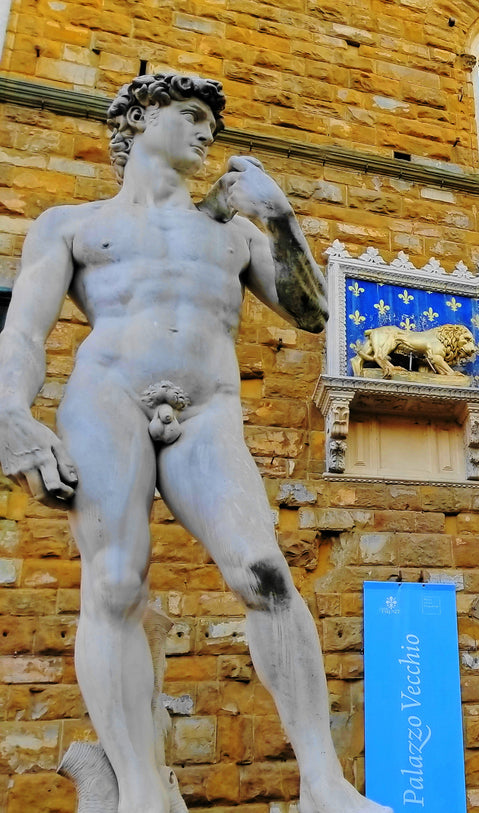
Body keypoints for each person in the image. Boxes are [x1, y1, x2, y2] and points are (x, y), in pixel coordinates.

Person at [0, 74, 387, 813]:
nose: (207, 132)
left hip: (208, 410)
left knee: (265, 570)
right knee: (115, 583)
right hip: (105, 395)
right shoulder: (73, 223)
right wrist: (11, 414)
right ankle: (141, 788)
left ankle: (323, 781)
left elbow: (311, 312)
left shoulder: (233, 233)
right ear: (142, 118)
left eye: (211, 120)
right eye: (193, 116)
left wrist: (281, 219)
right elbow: (22, 331)